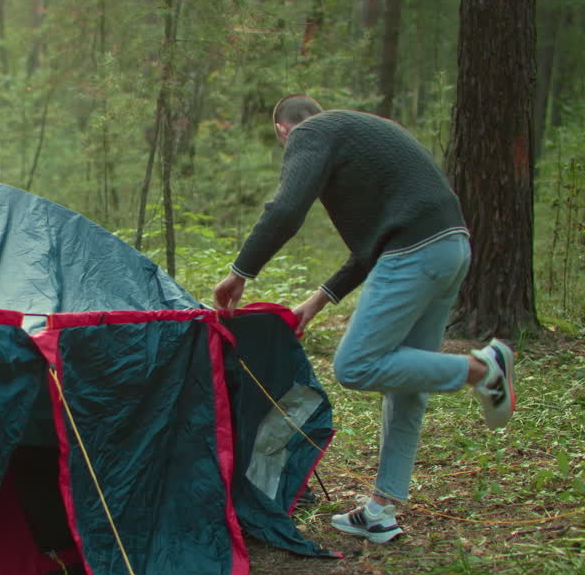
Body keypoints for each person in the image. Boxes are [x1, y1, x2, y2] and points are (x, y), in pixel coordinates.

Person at [213, 95, 515, 545]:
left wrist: (241, 273)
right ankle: (381, 510)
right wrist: (314, 303)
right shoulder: (358, 132)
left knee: (355, 365)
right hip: (450, 248)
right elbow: (367, 252)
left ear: (283, 130)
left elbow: (286, 208)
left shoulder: (311, 134)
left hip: (413, 251)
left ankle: (481, 369)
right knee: (406, 386)